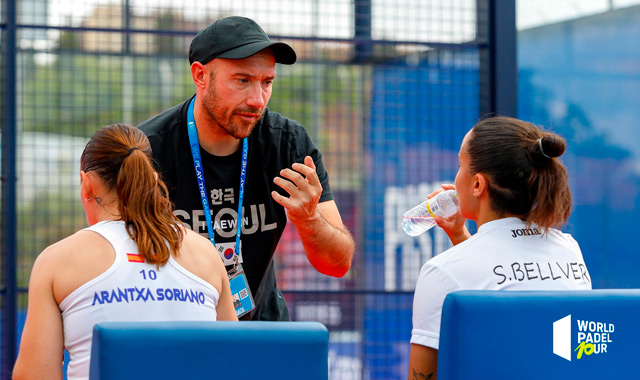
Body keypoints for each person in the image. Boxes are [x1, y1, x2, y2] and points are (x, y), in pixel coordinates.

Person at [138, 16, 355, 321]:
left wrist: (308, 220)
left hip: (261, 328)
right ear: (200, 76)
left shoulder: (288, 144)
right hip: (175, 330)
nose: (257, 100)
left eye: (267, 82)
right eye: (242, 80)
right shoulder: (146, 152)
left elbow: (338, 263)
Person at [13, 124, 237, 380]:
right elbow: (232, 360)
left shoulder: (58, 261)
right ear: (153, 180)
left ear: (86, 185)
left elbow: (34, 375)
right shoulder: (205, 254)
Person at [408, 116, 592, 380]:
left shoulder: (442, 271)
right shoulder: (569, 250)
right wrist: (460, 236)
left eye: (460, 165)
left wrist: (461, 246)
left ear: (477, 185)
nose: (456, 176)